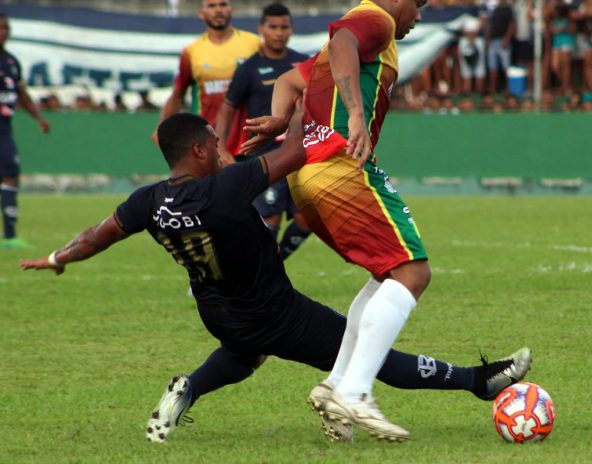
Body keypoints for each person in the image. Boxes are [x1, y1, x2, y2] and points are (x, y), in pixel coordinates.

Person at [20, 108, 532, 444]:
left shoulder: (147, 201)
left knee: (243, 356)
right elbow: (294, 154)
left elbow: (95, 235)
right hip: (276, 313)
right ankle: (478, 382)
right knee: (368, 356)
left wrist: (58, 257)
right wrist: (298, 106)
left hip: (218, 313)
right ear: (198, 151)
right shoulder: (225, 188)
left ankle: (189, 389)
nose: (223, 151)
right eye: (216, 144)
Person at [241, 0, 503, 442]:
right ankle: (357, 392)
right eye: (417, 6)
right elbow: (343, 39)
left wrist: (283, 118)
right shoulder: (377, 19)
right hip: (339, 166)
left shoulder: (358, 44)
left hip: (308, 173)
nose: (418, 16)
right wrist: (357, 112)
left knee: (387, 275)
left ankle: (335, 385)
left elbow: (289, 78)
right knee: (413, 271)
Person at [215, 3, 311, 260]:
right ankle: (249, 275)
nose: (279, 33)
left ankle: (271, 268)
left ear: (291, 29)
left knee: (308, 218)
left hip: (302, 153)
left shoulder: (302, 63)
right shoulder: (249, 68)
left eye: (284, 27)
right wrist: (221, 146)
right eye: (273, 27)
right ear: (261, 29)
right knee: (269, 217)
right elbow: (227, 108)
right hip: (266, 155)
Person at [152, 0, 260, 146]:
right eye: (212, 6)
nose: (218, 10)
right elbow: (178, 93)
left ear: (231, 9)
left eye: (223, 5)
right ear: (201, 13)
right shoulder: (192, 51)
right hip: (208, 139)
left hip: (250, 138)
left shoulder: (253, 44)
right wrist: (162, 126)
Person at [0, 14, 51, 250]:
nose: (4, 32)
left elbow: (21, 94)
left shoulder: (11, 62)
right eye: (0, 27)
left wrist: (38, 118)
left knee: (10, 175)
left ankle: (10, 236)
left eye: (6, 27)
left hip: (4, 130)